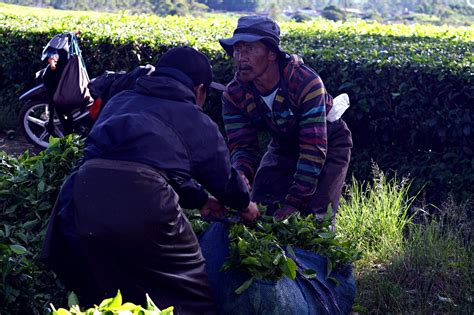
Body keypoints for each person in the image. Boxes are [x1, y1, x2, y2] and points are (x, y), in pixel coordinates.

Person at [41, 46, 260, 314]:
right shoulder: (194, 118)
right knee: (191, 292)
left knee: (108, 288)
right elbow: (223, 178)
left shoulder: (121, 100)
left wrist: (201, 200)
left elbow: (143, 161)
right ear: (199, 89)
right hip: (144, 201)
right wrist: (245, 204)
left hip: (82, 196)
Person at [219, 16, 352, 222]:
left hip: (328, 142)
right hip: (283, 143)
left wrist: (294, 202)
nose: (241, 57)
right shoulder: (234, 94)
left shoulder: (306, 83)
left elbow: (313, 149)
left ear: (272, 54)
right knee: (260, 205)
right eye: (237, 49)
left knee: (315, 220)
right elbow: (242, 146)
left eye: (250, 49)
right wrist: (241, 174)